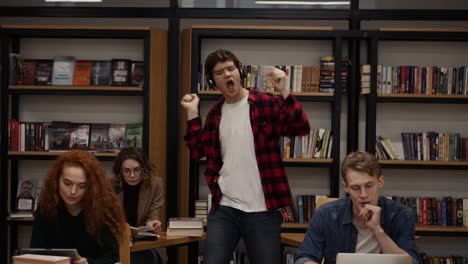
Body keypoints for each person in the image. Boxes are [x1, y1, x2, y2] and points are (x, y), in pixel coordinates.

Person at [180, 49, 311, 264]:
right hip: (225, 207)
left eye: (231, 69)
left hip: (263, 209)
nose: (227, 75)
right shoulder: (215, 114)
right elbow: (197, 151)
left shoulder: (265, 103)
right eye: (220, 72)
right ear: (214, 81)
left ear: (239, 72)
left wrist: (284, 90)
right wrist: (192, 113)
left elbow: (301, 127)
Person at [295, 151, 420, 264]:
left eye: (369, 186)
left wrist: (377, 230)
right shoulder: (325, 214)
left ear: (380, 181)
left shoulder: (401, 215)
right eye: (355, 188)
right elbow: (304, 258)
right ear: (346, 187)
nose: (363, 195)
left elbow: (410, 263)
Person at [30, 150, 125, 264]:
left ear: (91, 187)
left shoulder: (103, 208)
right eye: (67, 183)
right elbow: (35, 253)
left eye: (82, 186)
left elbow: (113, 257)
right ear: (56, 181)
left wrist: (88, 263)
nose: (73, 192)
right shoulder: (46, 207)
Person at [112, 147, 166, 264]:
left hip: (145, 244)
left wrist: (153, 223)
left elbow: (154, 214)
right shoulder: (110, 186)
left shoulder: (155, 184)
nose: (132, 175)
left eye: (137, 170)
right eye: (126, 171)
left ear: (144, 168)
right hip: (117, 243)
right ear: (120, 171)